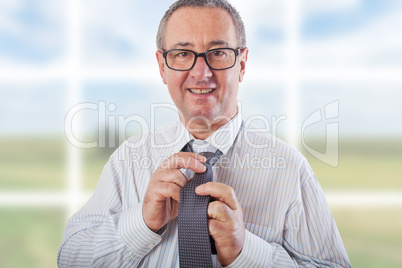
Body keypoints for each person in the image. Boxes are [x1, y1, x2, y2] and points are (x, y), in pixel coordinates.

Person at [58, 0, 351, 267]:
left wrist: (245, 251)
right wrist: (142, 223)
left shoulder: (290, 169)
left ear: (242, 64)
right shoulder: (128, 159)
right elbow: (70, 259)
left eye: (218, 53)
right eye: (183, 53)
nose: (201, 72)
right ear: (162, 67)